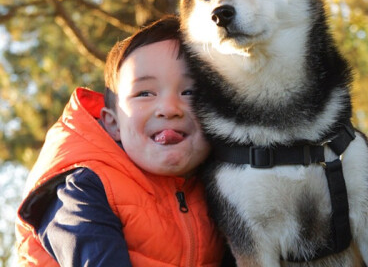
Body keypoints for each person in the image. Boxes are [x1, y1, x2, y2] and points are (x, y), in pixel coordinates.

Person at [15, 15, 229, 266]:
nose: (170, 108)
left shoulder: (219, 184)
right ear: (113, 123)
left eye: (190, 92)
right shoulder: (81, 187)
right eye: (145, 93)